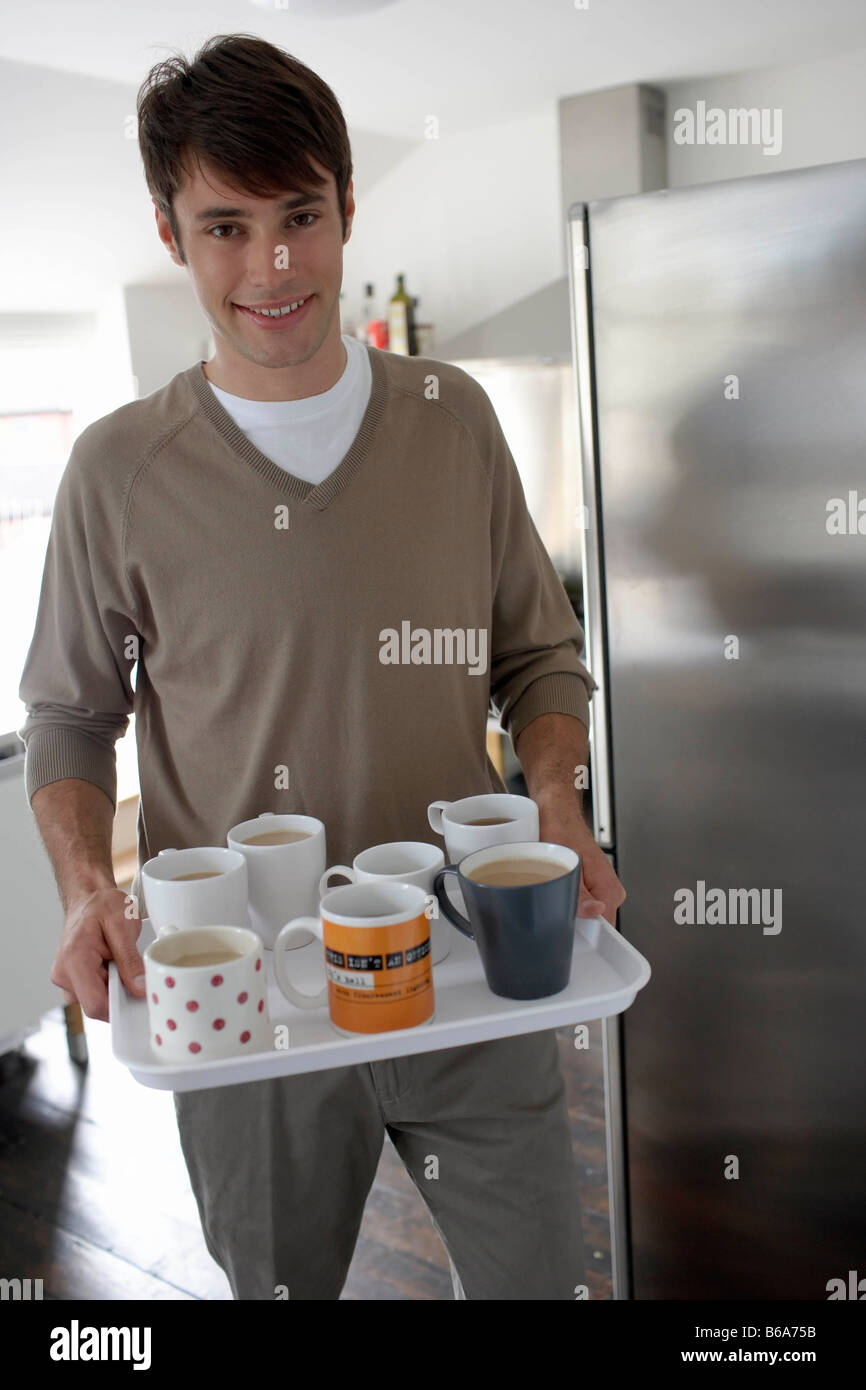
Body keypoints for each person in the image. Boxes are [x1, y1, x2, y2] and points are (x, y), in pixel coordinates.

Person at [18, 33, 625, 1300]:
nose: (273, 266)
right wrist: (83, 890)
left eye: (299, 215)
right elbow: (71, 714)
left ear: (348, 205)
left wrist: (558, 803)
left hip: (463, 965)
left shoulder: (452, 419)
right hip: (249, 1003)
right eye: (225, 228)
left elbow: (537, 655)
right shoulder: (118, 469)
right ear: (171, 233)